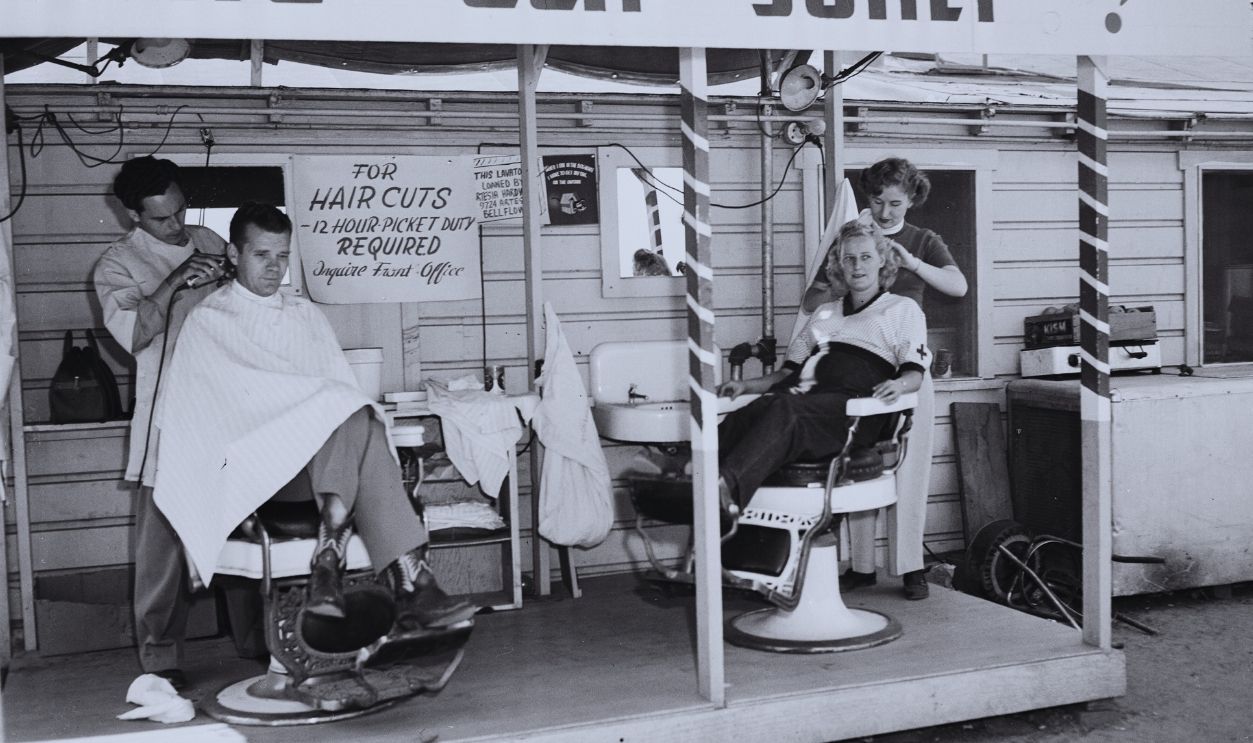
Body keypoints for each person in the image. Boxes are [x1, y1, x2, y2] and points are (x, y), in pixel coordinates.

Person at [153, 203, 476, 643]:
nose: (274, 267)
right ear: (233, 254)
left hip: (320, 471)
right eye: (262, 255)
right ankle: (412, 582)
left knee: (355, 417)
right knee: (354, 415)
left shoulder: (305, 316)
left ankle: (328, 565)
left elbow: (336, 400)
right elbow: (212, 422)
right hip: (262, 476)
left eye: (283, 256)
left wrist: (317, 410)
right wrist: (307, 412)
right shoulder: (209, 322)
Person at [801, 158, 968, 601]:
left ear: (912, 200)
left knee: (909, 469)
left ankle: (911, 566)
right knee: (858, 462)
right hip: (858, 364)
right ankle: (861, 565)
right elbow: (810, 299)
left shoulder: (922, 239)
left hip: (908, 364)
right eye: (877, 201)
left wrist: (911, 261)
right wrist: (844, 279)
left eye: (896, 203)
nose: (886, 211)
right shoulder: (853, 240)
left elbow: (958, 286)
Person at [92, 156, 230, 690]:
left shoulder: (211, 239)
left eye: (179, 211)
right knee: (163, 541)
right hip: (169, 416)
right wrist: (174, 280)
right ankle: (161, 656)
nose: (176, 226)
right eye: (161, 219)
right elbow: (133, 336)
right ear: (131, 215)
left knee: (244, 517)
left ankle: (257, 640)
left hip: (230, 408)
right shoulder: (117, 264)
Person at [716, 219, 928, 517]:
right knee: (751, 412)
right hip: (804, 400)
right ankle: (689, 476)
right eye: (848, 258)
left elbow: (914, 373)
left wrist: (900, 385)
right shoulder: (825, 312)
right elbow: (788, 373)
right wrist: (746, 387)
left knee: (784, 409)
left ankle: (724, 493)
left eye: (866, 257)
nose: (857, 266)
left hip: (852, 413)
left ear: (882, 259)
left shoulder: (902, 309)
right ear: (839, 265)